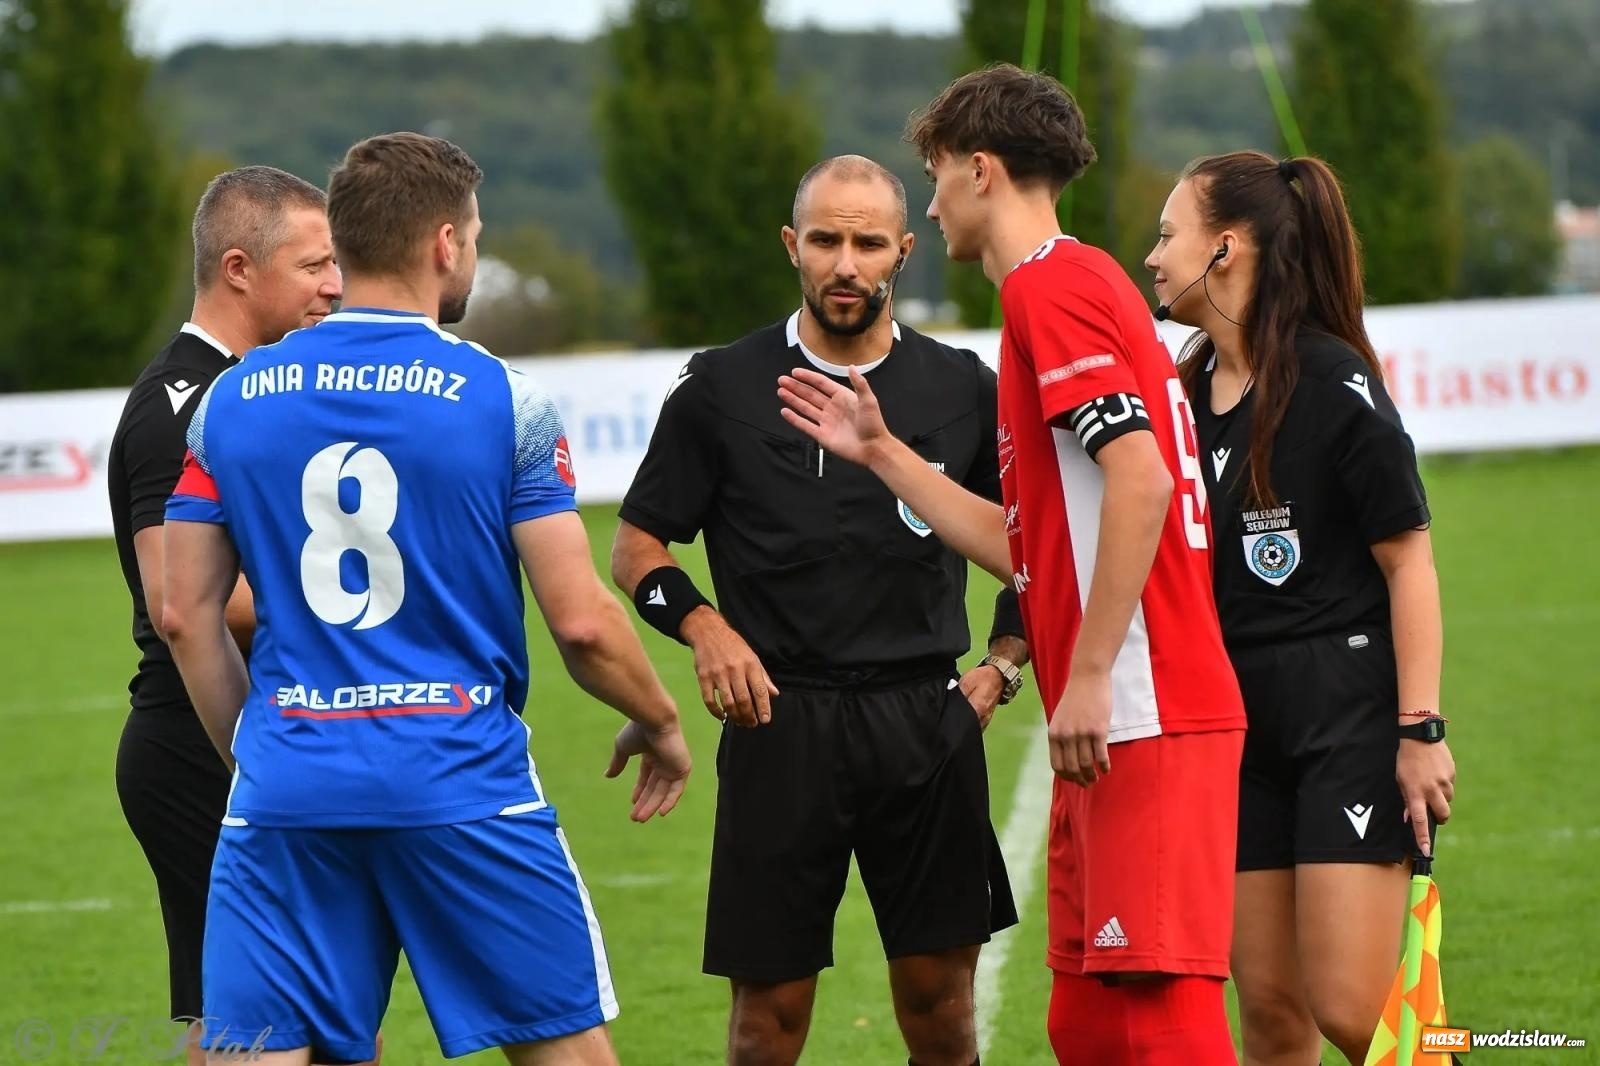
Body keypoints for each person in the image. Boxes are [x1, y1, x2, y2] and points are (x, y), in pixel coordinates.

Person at [160, 132, 692, 1066]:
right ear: (446, 244)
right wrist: (658, 717)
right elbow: (581, 622)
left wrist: (259, 748)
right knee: (563, 1051)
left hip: (287, 787)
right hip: (458, 777)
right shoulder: (502, 400)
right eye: (476, 237)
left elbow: (185, 612)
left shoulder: (230, 402)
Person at [777, 67, 1247, 1065]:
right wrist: (884, 454)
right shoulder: (1069, 286)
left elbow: (1141, 481)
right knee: (1083, 1020)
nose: (933, 200)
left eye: (938, 175)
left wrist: (1082, 676)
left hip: (1139, 708)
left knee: (1161, 1022)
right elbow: (1031, 549)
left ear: (980, 170)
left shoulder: (1051, 288)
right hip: (1113, 714)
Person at [611, 154, 1024, 1066]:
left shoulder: (962, 388)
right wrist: (705, 627)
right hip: (779, 723)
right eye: (828, 240)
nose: (847, 263)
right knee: (768, 1021)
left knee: (942, 1011)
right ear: (793, 246)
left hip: (927, 721)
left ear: (903, 252)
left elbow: (1035, 552)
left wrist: (1000, 663)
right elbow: (635, 547)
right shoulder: (721, 387)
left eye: (869, 243)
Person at [1143, 150, 1456, 1066]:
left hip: (1341, 711)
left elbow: (1411, 564)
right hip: (1232, 724)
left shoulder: (1333, 385)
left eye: (1169, 234)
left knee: (1358, 1013)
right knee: (1272, 1020)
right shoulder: (1182, 394)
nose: (1153, 256)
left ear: (1227, 248)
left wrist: (1420, 730)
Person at [107, 165, 342, 1066]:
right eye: (315, 265)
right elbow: (187, 603)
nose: (335, 285)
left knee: (296, 1022)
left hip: (247, 735)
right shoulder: (184, 402)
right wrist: (360, 616)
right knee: (266, 1028)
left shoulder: (252, 391)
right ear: (239, 268)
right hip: (197, 743)